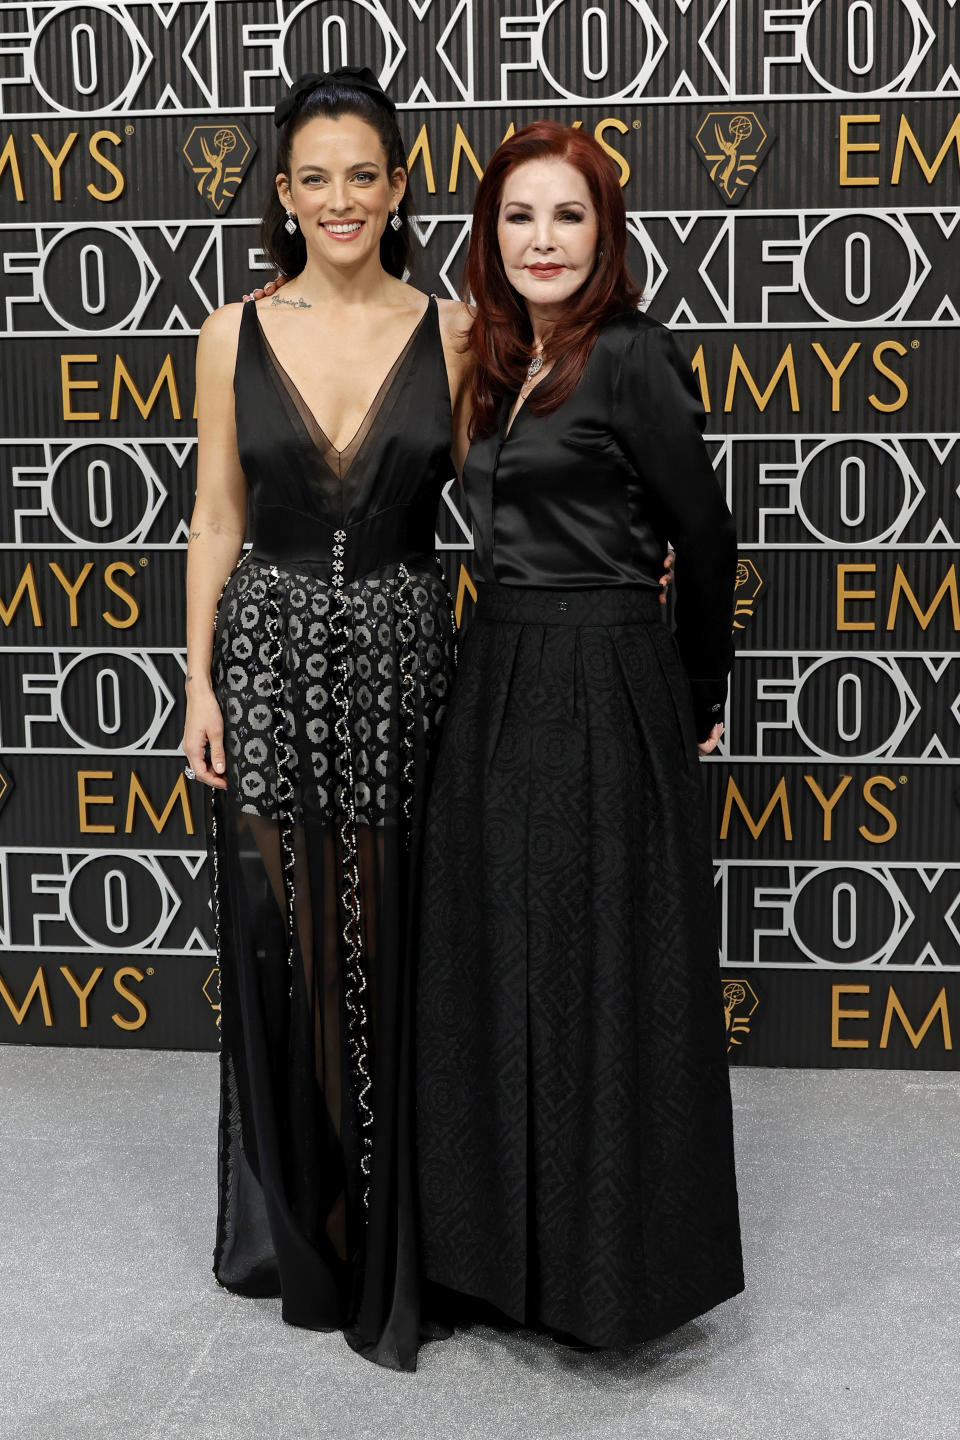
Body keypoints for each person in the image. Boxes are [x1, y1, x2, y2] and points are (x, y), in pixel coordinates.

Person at [415, 121, 745, 1349]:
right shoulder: (487, 358)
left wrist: (699, 689)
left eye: (567, 216)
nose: (541, 239)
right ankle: (492, 1262)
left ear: (603, 234)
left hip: (609, 670)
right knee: (492, 965)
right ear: (487, 235)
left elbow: (704, 542)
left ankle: (613, 1276)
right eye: (518, 216)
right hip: (491, 668)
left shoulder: (633, 355)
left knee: (606, 978)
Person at [180, 67, 471, 1371]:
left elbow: (520, 495)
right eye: (316, 177)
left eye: (366, 173)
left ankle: (403, 1219)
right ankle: (308, 1219)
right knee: (293, 938)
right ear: (284, 194)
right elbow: (219, 520)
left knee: (400, 931)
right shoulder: (232, 331)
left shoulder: (459, 331)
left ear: (399, 186)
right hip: (276, 654)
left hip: (414, 658)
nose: (341, 198)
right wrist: (198, 680)